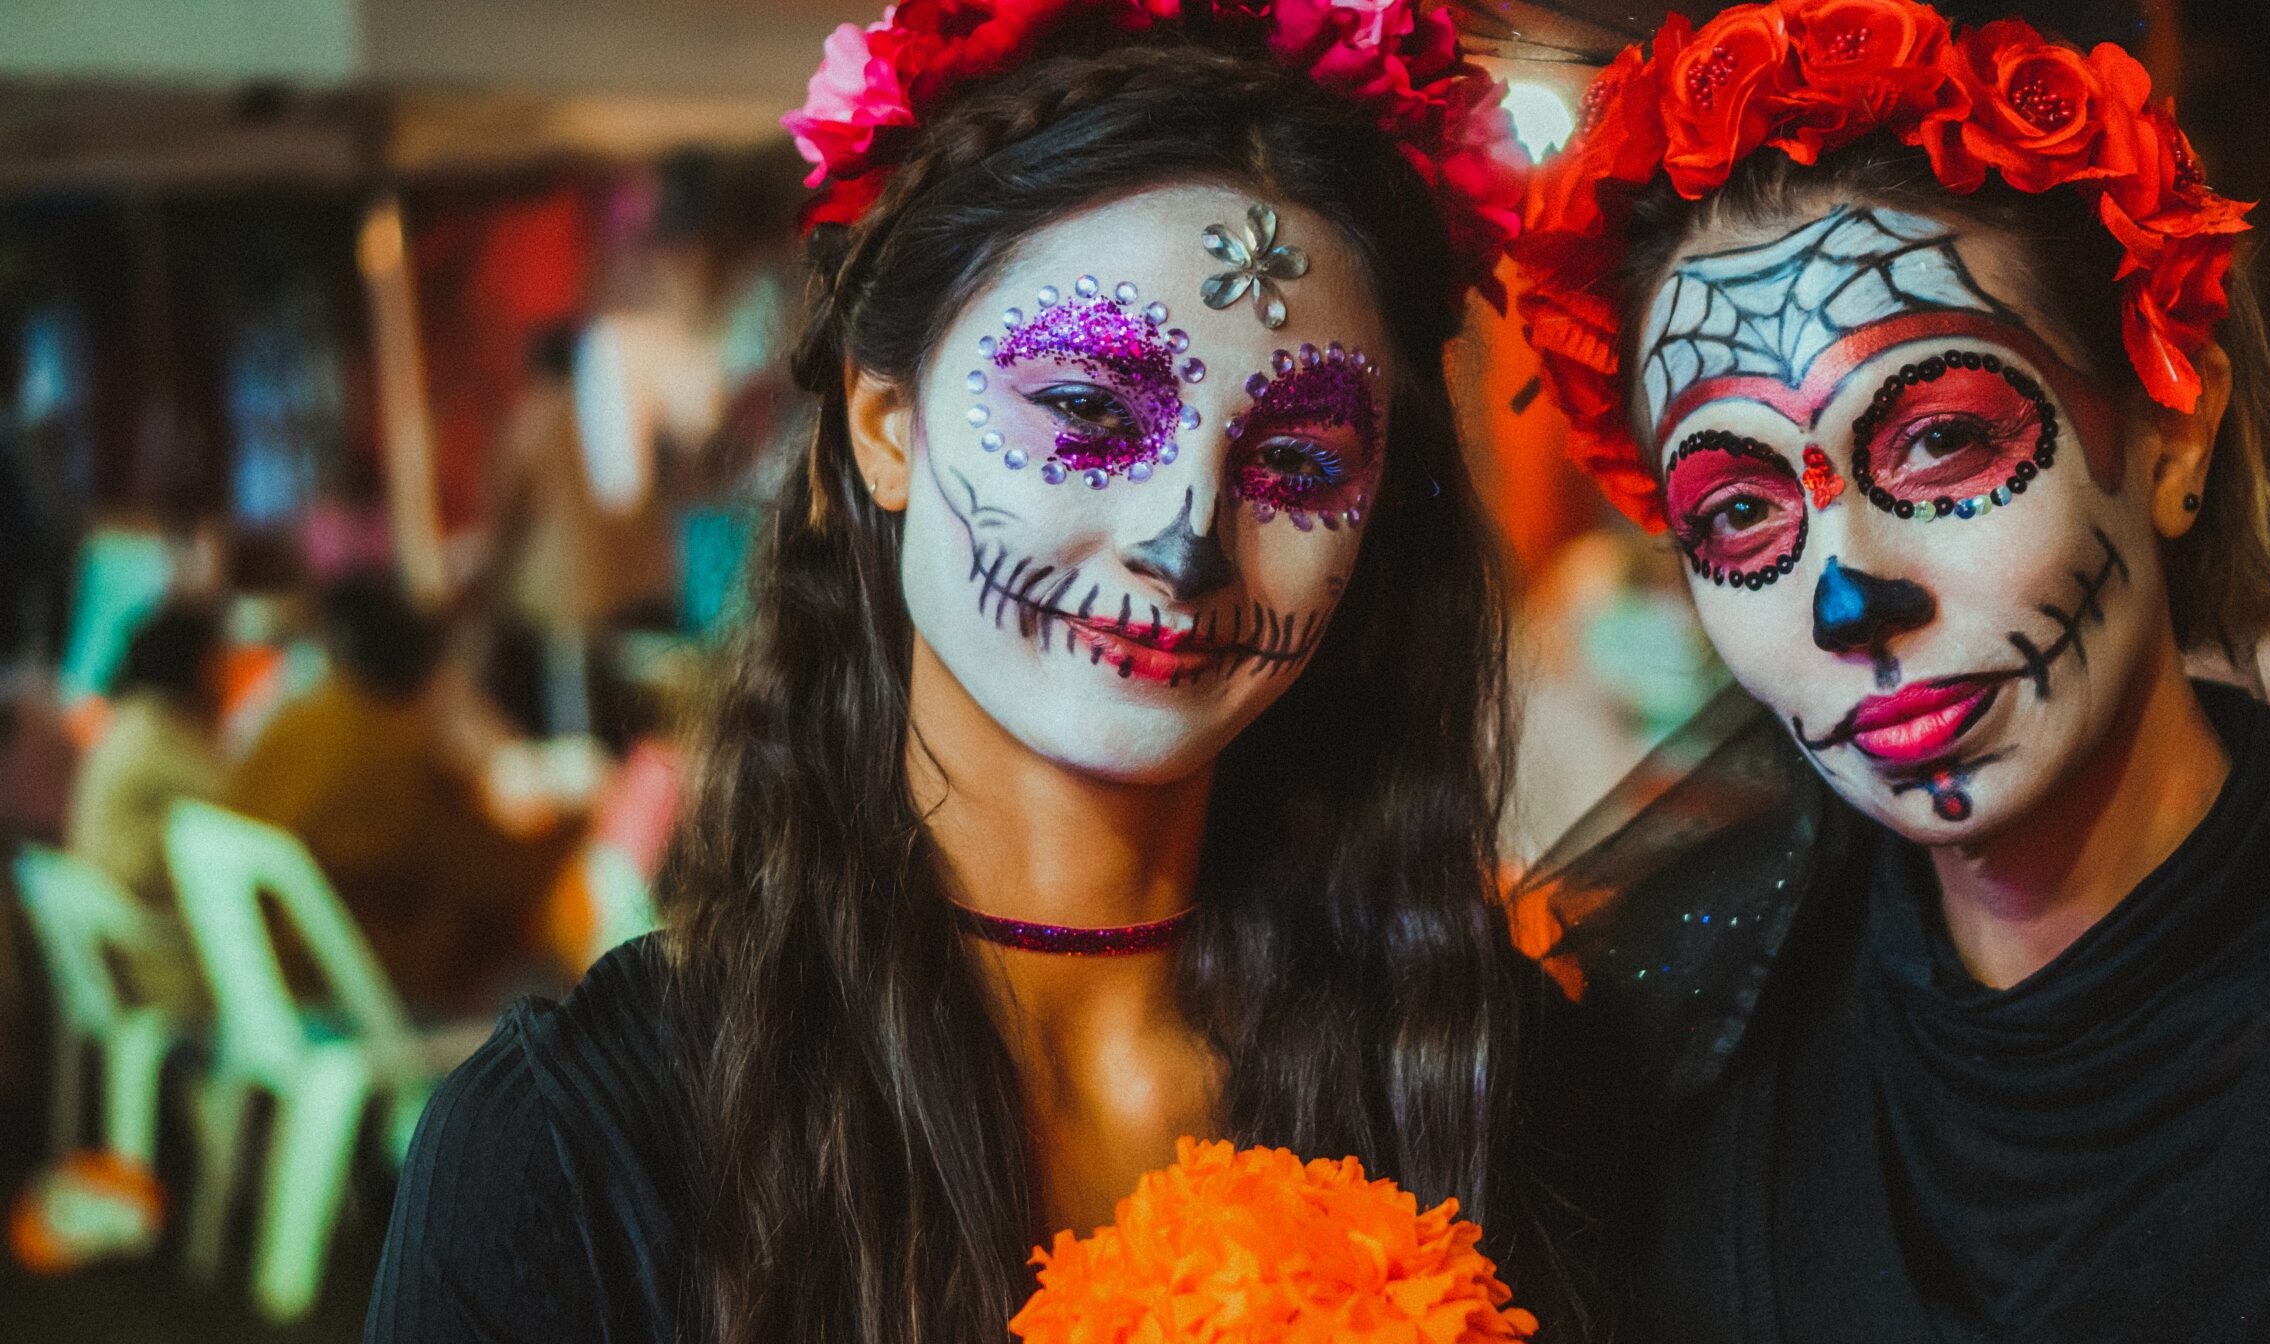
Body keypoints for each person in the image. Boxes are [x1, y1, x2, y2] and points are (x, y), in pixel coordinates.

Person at [365, 5, 1600, 1343]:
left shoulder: (1492, 1078)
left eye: (1297, 463)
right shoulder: (575, 1154)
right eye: (1085, 410)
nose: (1184, 543)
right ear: (882, 425)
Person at [1507, 2, 2270, 1339]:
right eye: (1740, 511)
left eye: (1943, 440)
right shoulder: (1659, 1060)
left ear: (2174, 434)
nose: (1846, 593)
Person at [227, 575, 574, 1015]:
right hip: (354, 998)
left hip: (269, 985)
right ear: (431, 675)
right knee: (552, 983)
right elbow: (499, 880)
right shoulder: (388, 753)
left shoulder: (295, 723)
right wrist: (577, 817)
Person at [65, 601, 226, 1012]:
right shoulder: (158, 734)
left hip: (115, 942)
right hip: (153, 958)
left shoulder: (126, 722)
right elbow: (240, 802)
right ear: (198, 666)